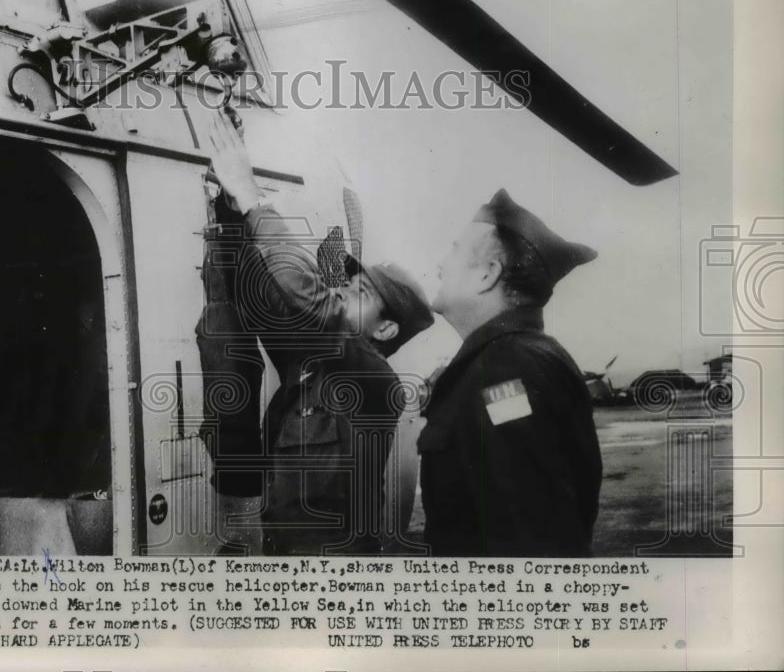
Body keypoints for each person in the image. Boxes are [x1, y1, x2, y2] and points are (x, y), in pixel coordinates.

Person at [205, 114, 433, 555]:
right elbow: (263, 293)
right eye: (347, 283)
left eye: (360, 292)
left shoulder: (377, 380)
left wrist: (251, 195)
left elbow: (305, 296)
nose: (342, 290)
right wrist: (231, 207)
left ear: (386, 328)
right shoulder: (310, 365)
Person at [420, 188, 602, 556]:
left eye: (455, 251)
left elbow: (531, 537)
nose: (440, 264)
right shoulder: (513, 358)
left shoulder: (505, 369)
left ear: (487, 274)